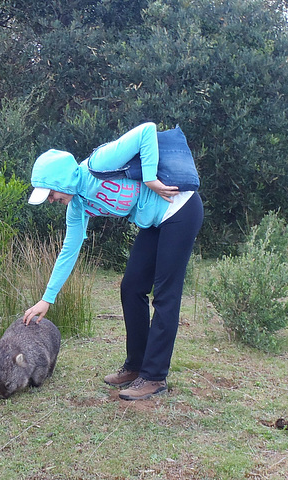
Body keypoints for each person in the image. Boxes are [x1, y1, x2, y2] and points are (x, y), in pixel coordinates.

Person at [22, 122, 204, 401]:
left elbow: (147, 130)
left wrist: (150, 178)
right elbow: (68, 252)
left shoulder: (98, 164)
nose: (51, 201)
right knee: (131, 287)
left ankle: (154, 376)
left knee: (166, 295)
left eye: (50, 194)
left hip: (180, 208)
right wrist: (47, 299)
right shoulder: (77, 207)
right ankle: (135, 366)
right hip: (155, 221)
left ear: (60, 181)